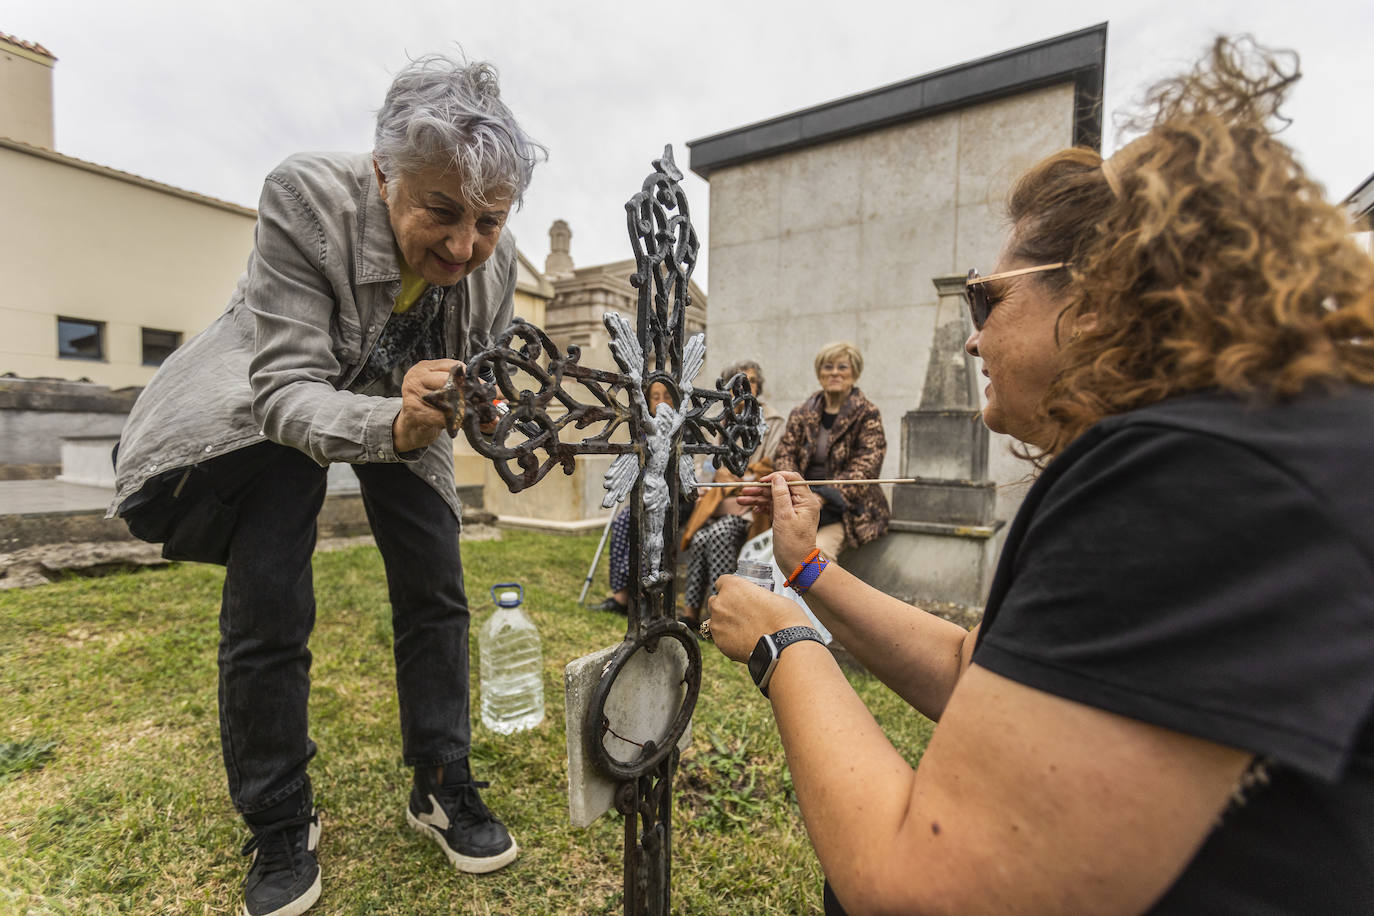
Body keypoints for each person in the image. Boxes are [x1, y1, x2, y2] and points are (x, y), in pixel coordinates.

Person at [706, 37, 1374, 915]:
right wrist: (805, 570)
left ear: (1094, 292)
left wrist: (780, 644)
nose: (976, 336)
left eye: (991, 298)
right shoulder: (1231, 441)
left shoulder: (1190, 477)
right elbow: (967, 667)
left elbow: (920, 890)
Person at [107, 54, 545, 915]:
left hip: (410, 401)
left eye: (489, 221)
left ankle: (441, 779)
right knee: (270, 595)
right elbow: (283, 389)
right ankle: (278, 816)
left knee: (437, 586)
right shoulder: (306, 200)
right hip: (283, 398)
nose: (464, 247)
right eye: (443, 213)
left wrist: (491, 407)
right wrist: (388, 421)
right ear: (386, 175)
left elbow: (486, 366)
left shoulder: (494, 260)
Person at [678, 360, 782, 627]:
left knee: (719, 535)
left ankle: (722, 615)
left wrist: (733, 479)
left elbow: (767, 467)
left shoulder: (772, 419)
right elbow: (712, 467)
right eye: (738, 382)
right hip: (720, 502)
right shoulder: (723, 420)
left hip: (749, 507)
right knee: (700, 537)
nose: (745, 387)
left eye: (752, 381)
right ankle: (691, 614)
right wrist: (718, 481)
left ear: (758, 387)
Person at [772, 342, 889, 561]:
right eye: (828, 367)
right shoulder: (801, 413)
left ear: (855, 373)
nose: (835, 372)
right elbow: (784, 455)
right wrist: (796, 491)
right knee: (771, 553)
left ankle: (815, 596)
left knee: (816, 555)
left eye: (842, 367)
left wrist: (822, 497)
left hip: (846, 511)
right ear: (819, 374)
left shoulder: (867, 414)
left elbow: (866, 467)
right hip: (801, 505)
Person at [592, 380, 676, 614]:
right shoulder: (643, 429)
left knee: (647, 531)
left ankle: (643, 594)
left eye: (666, 395)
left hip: (673, 499)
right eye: (655, 396)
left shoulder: (679, 429)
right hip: (646, 492)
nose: (660, 401)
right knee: (622, 522)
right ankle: (621, 595)